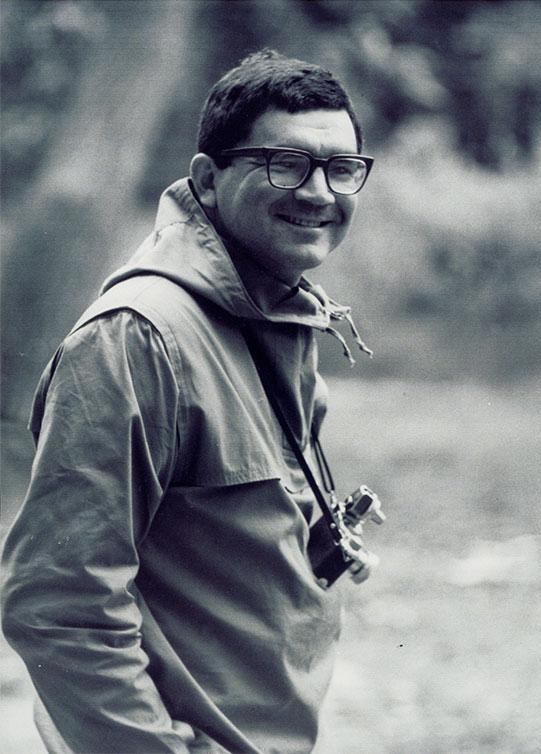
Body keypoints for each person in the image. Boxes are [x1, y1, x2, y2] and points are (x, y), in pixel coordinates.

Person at [1, 49, 375, 754]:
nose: (320, 191)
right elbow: (59, 604)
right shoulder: (138, 338)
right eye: (285, 163)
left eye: (342, 168)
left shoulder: (280, 315)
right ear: (208, 177)